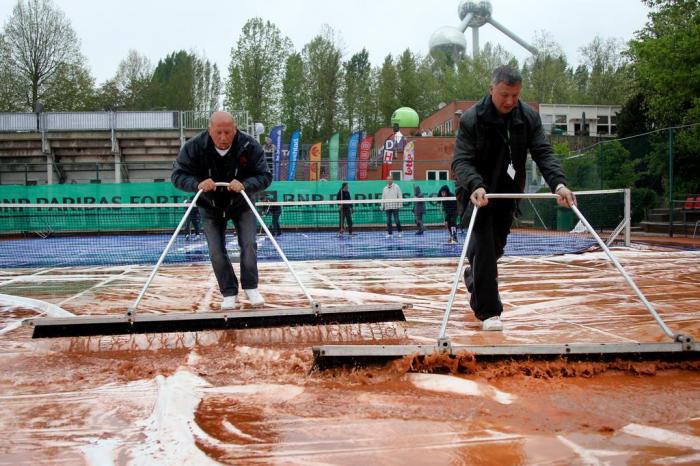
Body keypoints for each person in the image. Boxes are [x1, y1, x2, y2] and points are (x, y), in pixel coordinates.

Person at [452, 65, 576, 332]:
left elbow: (543, 152)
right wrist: (475, 184)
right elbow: (460, 161)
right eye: (504, 95)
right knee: (483, 247)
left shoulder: (527, 118)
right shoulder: (472, 119)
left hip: (508, 195)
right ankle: (489, 313)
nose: (510, 101)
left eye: (515, 96)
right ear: (492, 89)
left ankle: (474, 276)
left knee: (494, 250)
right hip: (478, 195)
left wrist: (559, 184)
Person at [172, 111, 272, 310]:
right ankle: (229, 292)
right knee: (216, 252)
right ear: (210, 130)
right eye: (218, 132)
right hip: (210, 206)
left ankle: (251, 287)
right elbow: (177, 175)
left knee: (249, 244)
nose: (223, 137)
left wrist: (245, 184)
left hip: (241, 204)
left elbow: (265, 176)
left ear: (235, 130)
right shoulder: (194, 147)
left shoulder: (249, 146)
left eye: (228, 132)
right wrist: (197, 184)